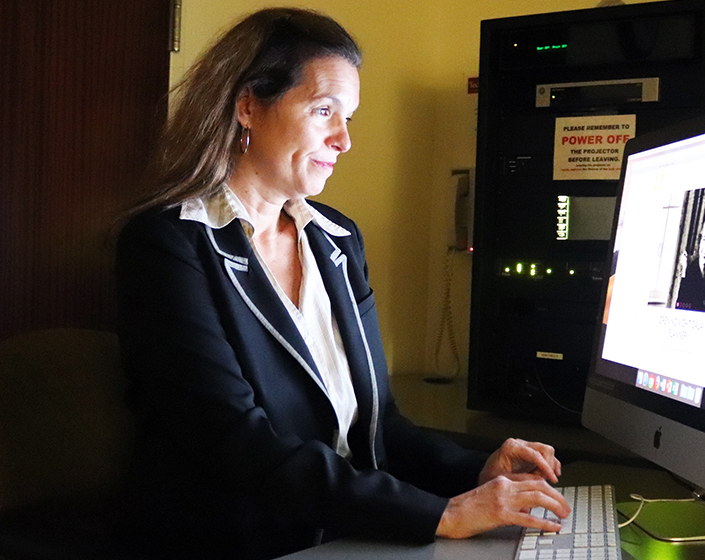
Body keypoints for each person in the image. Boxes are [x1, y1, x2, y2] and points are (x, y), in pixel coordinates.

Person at [114, 8, 569, 559]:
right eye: (324, 110)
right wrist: (441, 513)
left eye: (348, 116)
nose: (343, 140)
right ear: (248, 105)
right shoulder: (167, 244)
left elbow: (379, 426)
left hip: (343, 533)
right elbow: (234, 442)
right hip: (240, 541)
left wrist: (476, 468)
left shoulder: (336, 239)